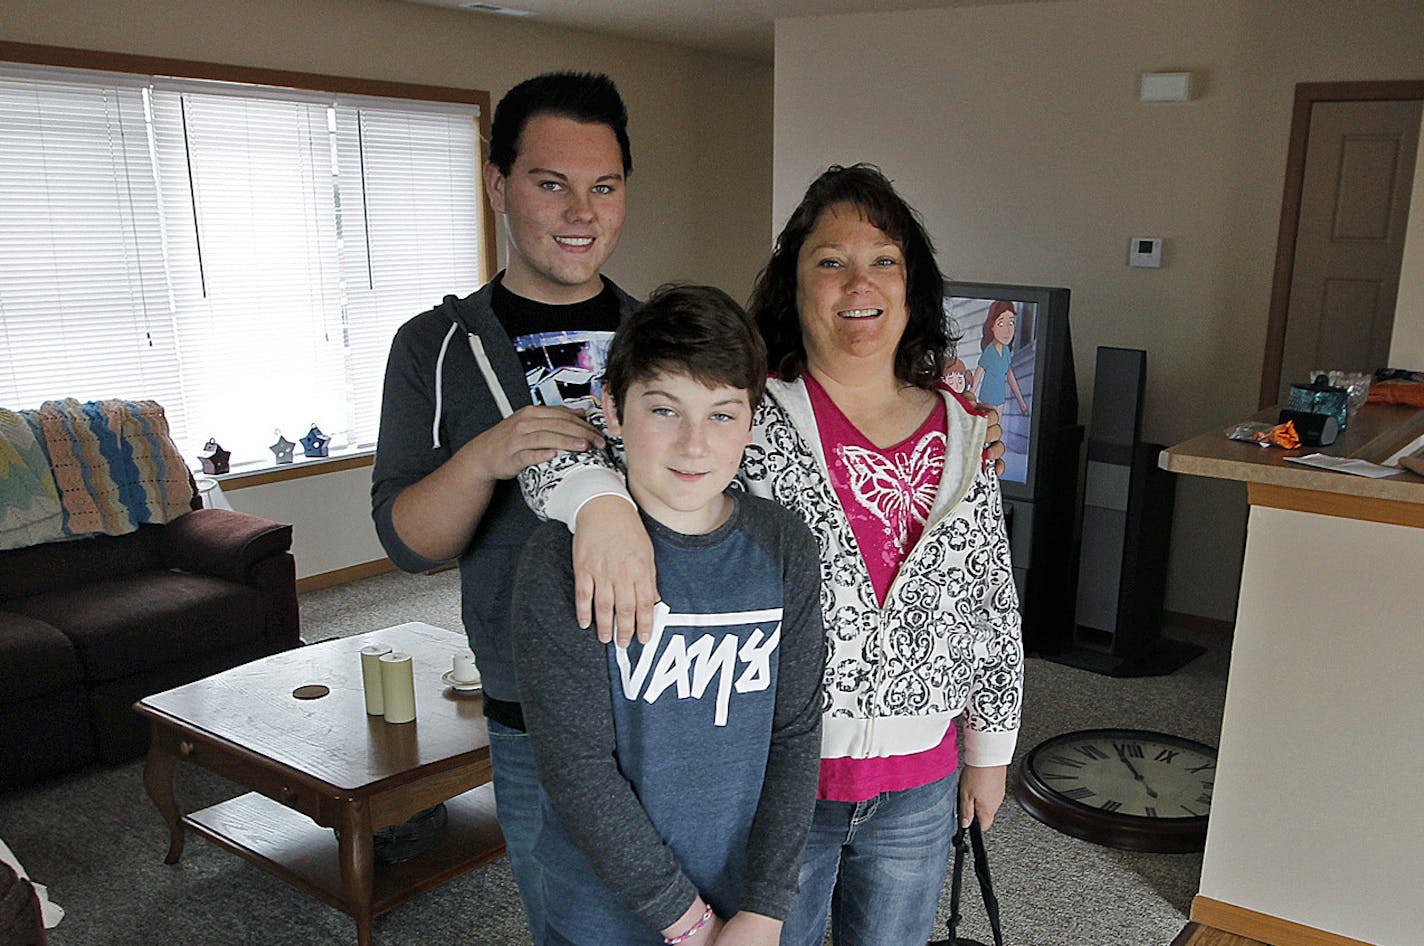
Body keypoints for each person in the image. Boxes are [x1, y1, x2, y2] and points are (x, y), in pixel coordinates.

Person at [522, 164, 1023, 946]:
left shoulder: (966, 430)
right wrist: (598, 501)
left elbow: (991, 599)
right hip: (784, 786)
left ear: (912, 285)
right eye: (830, 260)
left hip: (920, 778)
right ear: (794, 286)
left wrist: (988, 751)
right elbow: (565, 438)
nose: (860, 280)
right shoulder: (749, 405)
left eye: (884, 260)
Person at [370, 71, 639, 945]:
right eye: (549, 182)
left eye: (603, 186)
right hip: (530, 708)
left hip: (667, 689)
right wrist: (484, 457)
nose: (580, 212)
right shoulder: (432, 346)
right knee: (567, 922)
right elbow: (410, 542)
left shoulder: (662, 337)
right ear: (497, 184)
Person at [513, 284, 825, 946]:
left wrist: (764, 909)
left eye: (721, 415)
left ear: (750, 420)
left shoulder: (783, 547)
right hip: (606, 914)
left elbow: (794, 737)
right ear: (613, 409)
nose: (693, 445)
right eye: (664, 410)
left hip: (744, 906)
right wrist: (691, 926)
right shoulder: (560, 559)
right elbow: (578, 768)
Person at [971, 300, 1029, 415]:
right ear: (992, 326)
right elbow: (978, 375)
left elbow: (1010, 376)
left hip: (1000, 399)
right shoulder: (989, 351)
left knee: (997, 430)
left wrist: (1021, 402)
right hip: (987, 400)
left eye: (1011, 323)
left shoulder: (1006, 351)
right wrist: (968, 398)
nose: (1007, 331)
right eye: (1001, 324)